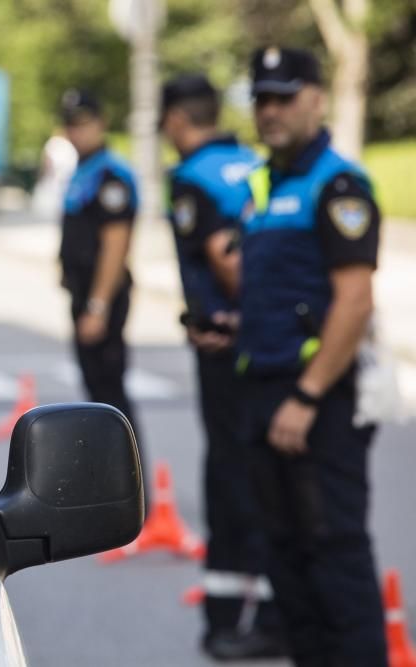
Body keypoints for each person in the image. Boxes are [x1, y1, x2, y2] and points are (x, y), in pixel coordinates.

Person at [238, 47, 387, 665]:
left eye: (284, 96)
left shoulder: (339, 185)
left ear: (317, 98)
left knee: (333, 556)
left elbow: (353, 304)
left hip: (315, 400)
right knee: (285, 557)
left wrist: (306, 396)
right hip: (262, 389)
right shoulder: (265, 182)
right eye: (262, 98)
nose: (271, 110)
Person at [160, 73, 285, 660]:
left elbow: (224, 255)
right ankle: (266, 607)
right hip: (268, 348)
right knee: (261, 473)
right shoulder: (250, 164)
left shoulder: (192, 178)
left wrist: (243, 314)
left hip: (229, 347)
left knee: (232, 479)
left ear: (176, 121)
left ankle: (231, 621)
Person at [57, 88, 142, 442]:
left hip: (102, 299)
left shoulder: (110, 175)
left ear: (101, 123)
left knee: (111, 401)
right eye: (70, 125)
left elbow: (115, 244)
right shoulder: (85, 170)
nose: (77, 132)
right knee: (98, 396)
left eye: (84, 124)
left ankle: (130, 486)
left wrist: (98, 306)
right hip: (84, 296)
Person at [31, 126, 79, 222]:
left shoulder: (56, 143)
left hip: (57, 178)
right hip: (64, 179)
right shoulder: (66, 145)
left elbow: (47, 160)